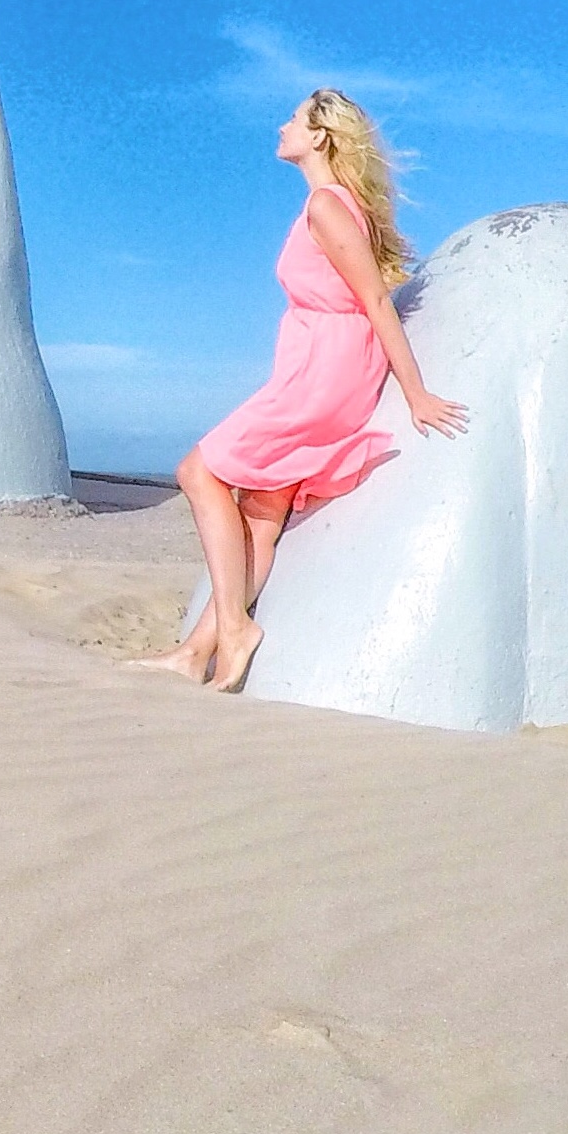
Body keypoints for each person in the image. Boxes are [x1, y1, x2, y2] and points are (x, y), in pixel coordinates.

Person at [137, 88, 467, 692]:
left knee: (197, 471)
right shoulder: (332, 205)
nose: (281, 126)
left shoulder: (326, 205)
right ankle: (195, 653)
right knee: (262, 512)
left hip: (325, 373)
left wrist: (415, 392)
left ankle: (234, 627)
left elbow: (374, 300)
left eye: (292, 119)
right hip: (314, 365)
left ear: (319, 136)